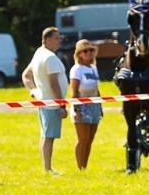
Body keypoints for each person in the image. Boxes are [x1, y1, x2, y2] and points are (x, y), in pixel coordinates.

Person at [21, 26, 68, 174]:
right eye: (56, 37)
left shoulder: (38, 53)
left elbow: (26, 75)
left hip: (44, 101)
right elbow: (53, 83)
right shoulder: (49, 57)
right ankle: (47, 168)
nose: (59, 40)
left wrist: (34, 92)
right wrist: (61, 105)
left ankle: (47, 167)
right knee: (49, 137)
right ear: (47, 39)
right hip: (52, 104)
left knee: (46, 135)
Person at [68, 38, 103, 170]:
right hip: (82, 105)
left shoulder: (94, 68)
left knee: (90, 139)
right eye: (85, 51)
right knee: (83, 139)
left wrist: (100, 106)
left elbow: (96, 89)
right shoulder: (76, 69)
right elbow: (74, 90)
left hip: (94, 105)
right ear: (79, 54)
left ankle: (85, 166)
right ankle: (80, 167)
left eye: (90, 50)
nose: (88, 53)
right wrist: (76, 109)